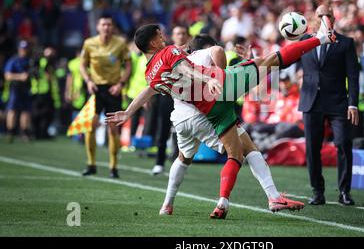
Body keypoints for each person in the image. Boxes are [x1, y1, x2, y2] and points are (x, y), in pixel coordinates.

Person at [106, 16, 336, 218]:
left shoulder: (150, 73)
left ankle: (262, 197)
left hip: (208, 109)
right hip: (220, 86)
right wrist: (208, 79)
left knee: (238, 150)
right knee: (270, 61)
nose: (164, 38)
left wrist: (128, 112)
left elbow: (149, 90)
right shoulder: (168, 52)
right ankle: (322, 39)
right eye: (160, 35)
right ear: (154, 42)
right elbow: (185, 69)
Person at [159, 34, 304, 216]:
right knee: (241, 151)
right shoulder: (207, 53)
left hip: (181, 118)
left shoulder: (178, 62)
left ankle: (167, 204)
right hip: (206, 115)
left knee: (183, 158)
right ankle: (238, 200)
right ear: (206, 47)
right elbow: (221, 64)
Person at [298, 5, 359, 206]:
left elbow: (353, 75)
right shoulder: (304, 41)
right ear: (314, 19)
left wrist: (353, 105)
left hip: (338, 103)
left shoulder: (346, 43)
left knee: (343, 144)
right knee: (312, 148)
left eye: (328, 15)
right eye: (320, 15)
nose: (324, 18)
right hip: (311, 102)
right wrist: (256, 59)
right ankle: (318, 191)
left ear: (334, 18)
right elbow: (285, 61)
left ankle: (344, 192)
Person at [79, 14, 131, 178]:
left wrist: (120, 84)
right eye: (103, 24)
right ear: (98, 27)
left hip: (113, 90)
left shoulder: (120, 43)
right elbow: (82, 64)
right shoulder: (89, 43)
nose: (106, 27)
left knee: (113, 129)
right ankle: (91, 164)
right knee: (90, 126)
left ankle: (113, 167)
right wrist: (88, 80)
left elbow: (129, 65)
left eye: (109, 24)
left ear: (113, 27)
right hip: (95, 89)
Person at [151, 25, 190, 175]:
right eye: (178, 33)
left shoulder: (192, 53)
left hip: (187, 97)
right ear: (172, 36)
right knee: (163, 129)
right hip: (167, 96)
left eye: (183, 33)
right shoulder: (165, 52)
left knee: (185, 129)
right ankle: (159, 162)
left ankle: (181, 161)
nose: (180, 36)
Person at [4, 40, 33, 142]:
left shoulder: (30, 60)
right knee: (12, 110)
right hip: (15, 88)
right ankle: (10, 132)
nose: (23, 51)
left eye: (25, 49)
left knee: (25, 111)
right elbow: (7, 75)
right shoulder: (13, 60)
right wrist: (20, 77)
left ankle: (24, 132)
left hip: (26, 88)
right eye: (22, 49)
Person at [30, 47, 61, 139]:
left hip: (46, 92)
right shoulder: (42, 61)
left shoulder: (50, 64)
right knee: (39, 114)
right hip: (40, 92)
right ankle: (38, 133)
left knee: (46, 115)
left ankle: (42, 133)